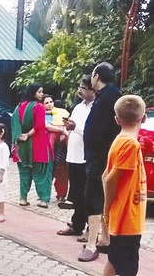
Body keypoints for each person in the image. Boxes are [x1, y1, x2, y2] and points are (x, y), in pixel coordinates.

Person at [79, 62, 122, 262]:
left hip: (101, 157)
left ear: (96, 76)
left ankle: (91, 243)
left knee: (94, 196)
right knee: (104, 197)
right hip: (105, 156)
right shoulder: (111, 96)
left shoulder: (108, 98)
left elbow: (100, 131)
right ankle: (105, 239)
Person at [102, 95, 147, 276]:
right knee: (128, 269)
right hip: (127, 218)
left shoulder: (120, 140)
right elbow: (110, 179)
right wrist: (106, 210)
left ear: (117, 119)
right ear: (143, 119)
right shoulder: (130, 144)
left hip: (124, 217)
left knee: (114, 260)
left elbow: (105, 174)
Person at [57, 76, 95, 240]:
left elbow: (92, 132)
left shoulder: (95, 108)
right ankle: (77, 224)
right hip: (73, 155)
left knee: (86, 194)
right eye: (79, 87)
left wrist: (75, 128)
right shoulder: (79, 107)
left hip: (84, 157)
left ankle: (90, 228)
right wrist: (68, 129)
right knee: (76, 194)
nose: (80, 90)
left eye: (83, 88)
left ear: (93, 90)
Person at [11, 84, 53, 208]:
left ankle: (23, 198)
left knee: (24, 173)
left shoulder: (19, 107)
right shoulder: (38, 107)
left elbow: (14, 123)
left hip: (22, 147)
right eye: (39, 92)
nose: (42, 94)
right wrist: (28, 135)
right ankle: (43, 200)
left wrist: (21, 136)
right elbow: (40, 126)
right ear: (33, 93)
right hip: (38, 145)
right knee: (41, 173)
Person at [42, 95, 69, 202]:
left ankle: (62, 194)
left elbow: (68, 124)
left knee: (62, 171)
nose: (49, 104)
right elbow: (45, 127)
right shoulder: (40, 115)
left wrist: (63, 132)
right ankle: (44, 194)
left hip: (61, 147)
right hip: (47, 147)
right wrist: (60, 130)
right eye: (46, 103)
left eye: (51, 102)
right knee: (47, 171)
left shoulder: (60, 112)